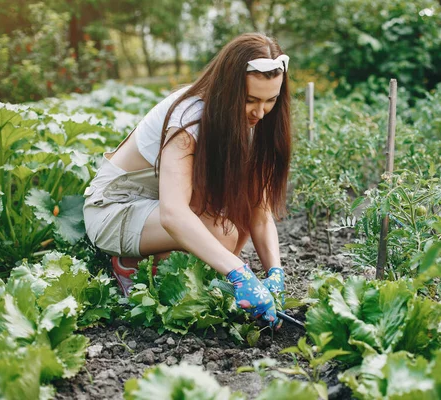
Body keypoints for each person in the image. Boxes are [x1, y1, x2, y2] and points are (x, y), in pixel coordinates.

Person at [82, 33, 291, 328]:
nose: (260, 112)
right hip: (115, 210)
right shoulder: (189, 119)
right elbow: (174, 213)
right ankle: (131, 265)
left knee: (236, 225)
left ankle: (168, 267)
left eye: (271, 100)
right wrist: (240, 273)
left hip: (154, 209)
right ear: (228, 91)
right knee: (223, 234)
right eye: (250, 100)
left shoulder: (254, 122)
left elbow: (259, 211)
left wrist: (275, 275)